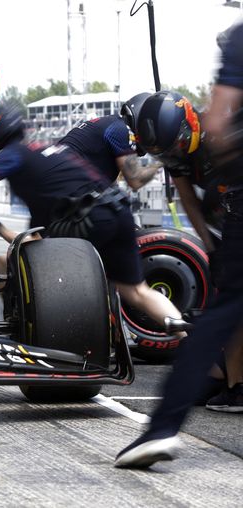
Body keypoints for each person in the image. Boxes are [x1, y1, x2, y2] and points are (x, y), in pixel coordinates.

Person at [0, 105, 189, 338]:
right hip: (117, 211)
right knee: (138, 291)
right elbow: (37, 236)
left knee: (17, 266)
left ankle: (10, 330)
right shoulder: (48, 155)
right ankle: (183, 334)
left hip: (87, 219)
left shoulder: (12, 155)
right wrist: (2, 229)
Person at [115, 21, 243, 466]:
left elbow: (221, 129)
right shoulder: (179, 155)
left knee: (221, 316)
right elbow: (189, 198)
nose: (177, 159)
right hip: (231, 217)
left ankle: (166, 425)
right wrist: (211, 244)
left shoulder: (213, 121)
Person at [58, 92, 162, 189]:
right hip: (61, 175)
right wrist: (163, 162)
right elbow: (136, 180)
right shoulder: (121, 130)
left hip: (56, 170)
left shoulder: (112, 124)